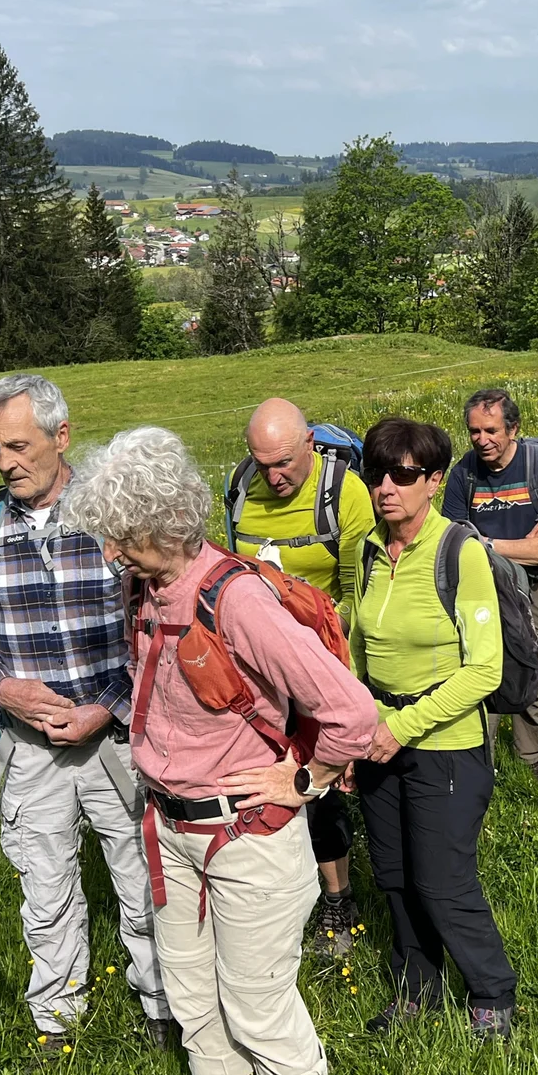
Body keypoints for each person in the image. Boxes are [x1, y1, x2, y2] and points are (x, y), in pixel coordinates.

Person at [62, 427, 376, 1075]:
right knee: (189, 983)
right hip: (170, 828)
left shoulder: (235, 600)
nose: (112, 555)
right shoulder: (146, 593)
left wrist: (303, 781)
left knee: (255, 992)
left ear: (163, 524)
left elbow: (351, 713)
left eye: (121, 538)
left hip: (248, 835)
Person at [0, 374, 172, 1057]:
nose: (6, 462)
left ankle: (164, 1005)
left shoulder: (112, 517)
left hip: (115, 740)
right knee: (43, 890)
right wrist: (0, 686)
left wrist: (102, 710)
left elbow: (155, 624)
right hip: (31, 748)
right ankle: (58, 1019)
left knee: (141, 880)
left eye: (18, 446)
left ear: (61, 436)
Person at [350, 417, 517, 1040]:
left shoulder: (460, 551)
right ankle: (417, 988)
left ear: (433, 481)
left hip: (445, 746)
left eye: (403, 475)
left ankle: (492, 993)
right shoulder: (369, 549)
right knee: (392, 876)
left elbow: (485, 671)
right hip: (375, 741)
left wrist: (404, 727)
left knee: (441, 882)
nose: (387, 487)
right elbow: (357, 648)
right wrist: (353, 730)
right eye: (376, 474)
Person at [224, 398, 374, 956]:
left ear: (310, 442)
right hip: (256, 672)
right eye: (262, 463)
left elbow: (360, 596)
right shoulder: (241, 488)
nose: (273, 476)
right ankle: (272, 895)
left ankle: (338, 898)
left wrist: (348, 688)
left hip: (320, 663)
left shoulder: (345, 495)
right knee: (260, 777)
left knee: (319, 783)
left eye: (284, 461)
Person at [439, 389, 538, 779]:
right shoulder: (463, 474)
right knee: (481, 669)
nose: (482, 440)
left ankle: (531, 763)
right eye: (474, 431)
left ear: (513, 428)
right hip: (482, 586)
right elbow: (456, 546)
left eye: (491, 430)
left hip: (535, 585)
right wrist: (521, 545)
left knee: (532, 667)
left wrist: (488, 544)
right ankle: (483, 764)